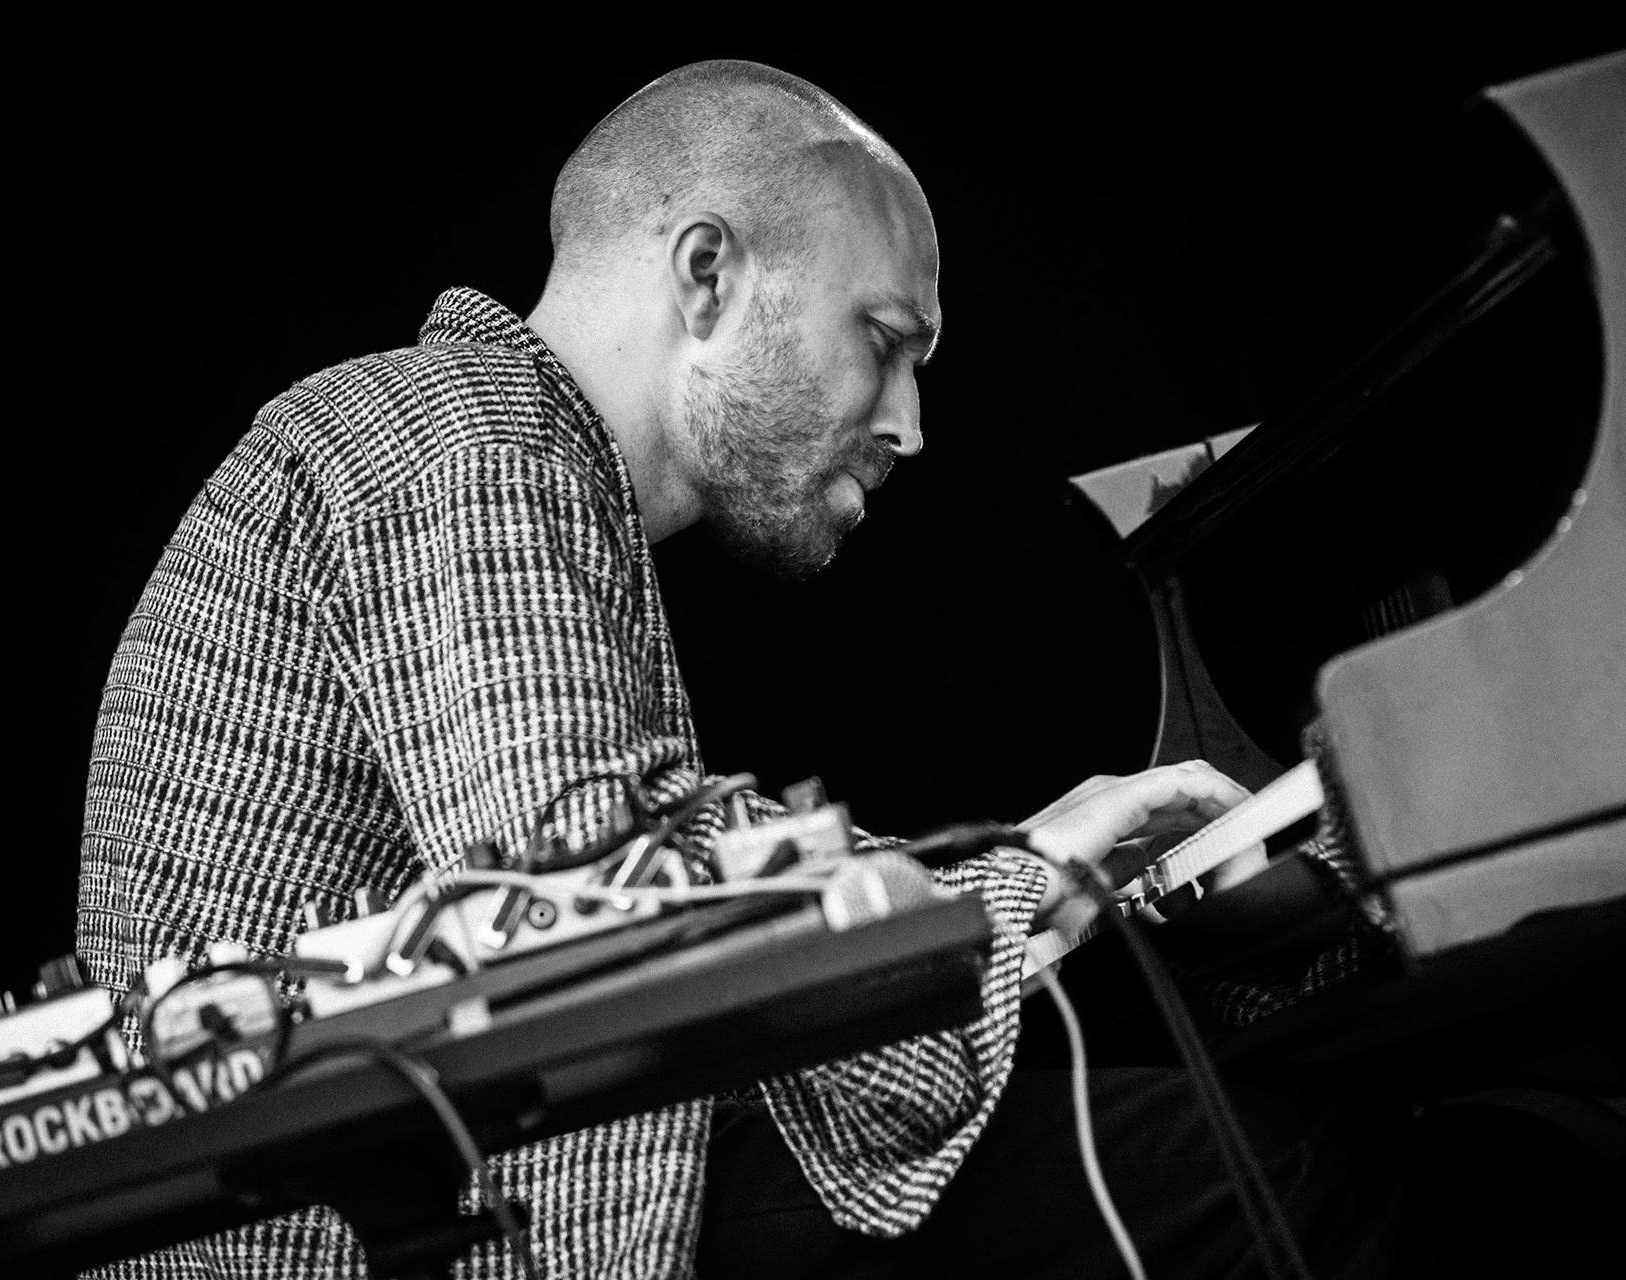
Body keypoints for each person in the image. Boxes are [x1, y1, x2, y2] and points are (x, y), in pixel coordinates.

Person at [78, 60, 1395, 1278]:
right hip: (444, 1233)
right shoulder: (459, 435)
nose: (911, 425)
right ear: (707, 272)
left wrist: (1035, 869)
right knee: (1295, 1174)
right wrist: (1021, 876)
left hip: (495, 1186)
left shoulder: (493, 455)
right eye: (885, 341)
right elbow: (601, 906)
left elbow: (619, 875)